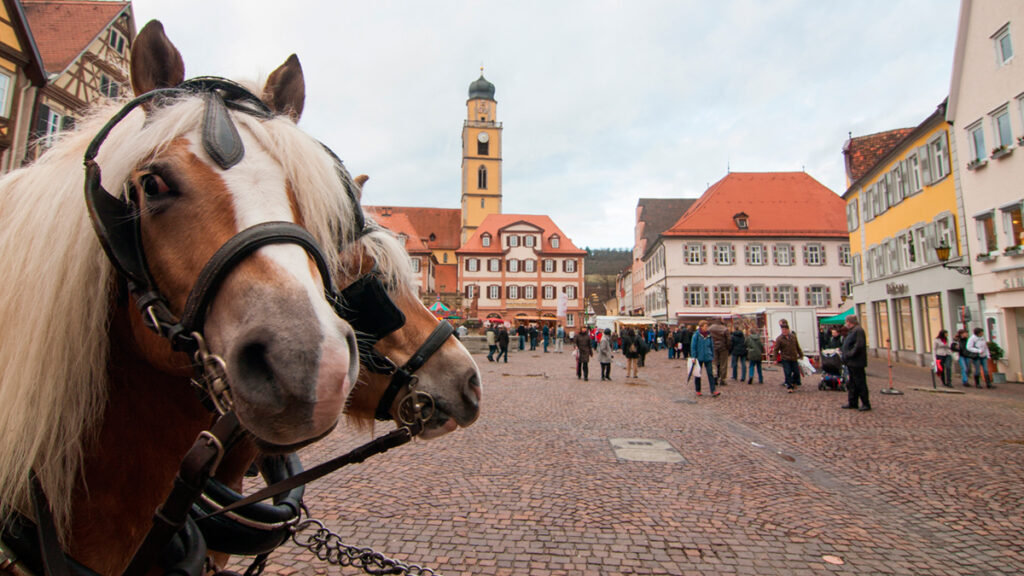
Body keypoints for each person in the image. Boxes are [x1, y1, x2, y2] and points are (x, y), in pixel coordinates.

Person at [841, 314, 869, 410]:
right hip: (851, 362)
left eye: (847, 322)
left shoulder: (858, 330)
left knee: (860, 383)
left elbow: (859, 346)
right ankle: (852, 402)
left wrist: (849, 354)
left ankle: (865, 403)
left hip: (857, 362)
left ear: (850, 322)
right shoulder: (853, 331)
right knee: (852, 383)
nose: (846, 323)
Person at [773, 319, 803, 393]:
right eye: (782, 330)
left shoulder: (793, 337)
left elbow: (797, 346)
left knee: (796, 372)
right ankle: (789, 387)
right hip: (785, 358)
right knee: (788, 372)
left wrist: (801, 354)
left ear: (788, 330)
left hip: (794, 357)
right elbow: (776, 349)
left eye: (785, 330)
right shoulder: (779, 339)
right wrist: (775, 359)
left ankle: (793, 382)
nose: (784, 331)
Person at [690, 320, 719, 397]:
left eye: (707, 326)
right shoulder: (696, 335)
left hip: (708, 356)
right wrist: (693, 356)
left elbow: (711, 346)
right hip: (699, 357)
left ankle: (713, 390)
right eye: (705, 326)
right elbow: (693, 346)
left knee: (710, 374)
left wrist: (712, 355)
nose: (707, 328)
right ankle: (698, 390)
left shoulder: (709, 335)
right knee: (698, 374)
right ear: (701, 327)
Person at [709, 319, 730, 386]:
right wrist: (728, 347)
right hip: (723, 347)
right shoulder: (725, 329)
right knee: (723, 364)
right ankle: (722, 379)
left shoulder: (710, 328)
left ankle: (715, 375)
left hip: (713, 347)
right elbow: (728, 340)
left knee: (714, 362)